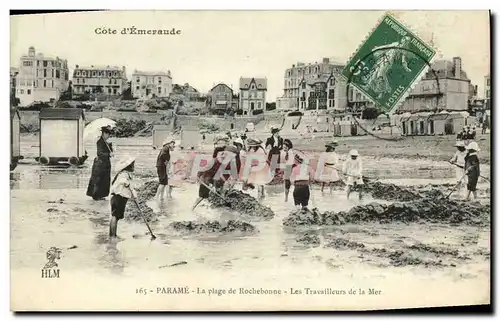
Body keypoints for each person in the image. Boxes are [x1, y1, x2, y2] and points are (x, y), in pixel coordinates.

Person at [191, 135, 228, 210]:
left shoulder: (222, 162)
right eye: (222, 154)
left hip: (212, 178)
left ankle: (220, 205)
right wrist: (198, 177)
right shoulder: (213, 161)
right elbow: (202, 170)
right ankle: (192, 208)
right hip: (205, 179)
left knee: (222, 185)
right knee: (202, 196)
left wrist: (219, 184)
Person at [109, 156, 137, 238]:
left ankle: (113, 234)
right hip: (118, 198)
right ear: (128, 167)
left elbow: (130, 188)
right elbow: (121, 181)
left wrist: (134, 195)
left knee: (116, 217)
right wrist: (126, 183)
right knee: (115, 216)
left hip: (119, 198)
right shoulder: (123, 174)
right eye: (133, 165)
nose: (134, 167)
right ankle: (112, 236)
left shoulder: (126, 174)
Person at [86, 126, 114, 201]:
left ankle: (101, 195)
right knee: (98, 180)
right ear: (104, 133)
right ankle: (96, 195)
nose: (108, 136)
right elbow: (99, 153)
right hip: (100, 164)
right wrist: (108, 154)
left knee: (104, 180)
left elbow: (108, 152)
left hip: (106, 164)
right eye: (108, 134)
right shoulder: (99, 142)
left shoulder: (106, 143)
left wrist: (110, 148)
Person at [155, 136, 176, 205]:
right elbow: (163, 156)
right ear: (169, 143)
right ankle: (156, 197)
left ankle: (161, 197)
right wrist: (166, 161)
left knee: (165, 182)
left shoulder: (166, 148)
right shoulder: (165, 149)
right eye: (173, 143)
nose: (174, 145)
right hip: (161, 167)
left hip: (161, 167)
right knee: (162, 183)